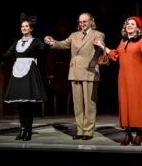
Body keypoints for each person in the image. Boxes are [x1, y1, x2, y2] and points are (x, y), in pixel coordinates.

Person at [94, 16, 142, 146]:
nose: (129, 26)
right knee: (125, 104)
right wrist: (102, 46)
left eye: (132, 24)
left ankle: (139, 133)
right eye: (128, 24)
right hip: (123, 78)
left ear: (137, 28)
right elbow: (115, 55)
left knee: (137, 104)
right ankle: (127, 133)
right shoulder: (123, 42)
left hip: (137, 78)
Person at [44, 12, 105, 140]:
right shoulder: (74, 35)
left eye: (85, 21)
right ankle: (80, 129)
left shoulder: (98, 34)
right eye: (80, 22)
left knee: (89, 104)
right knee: (77, 104)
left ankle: (88, 130)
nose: (82, 24)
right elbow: (63, 44)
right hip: (75, 71)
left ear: (91, 22)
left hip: (90, 71)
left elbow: (101, 46)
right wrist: (52, 42)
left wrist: (100, 45)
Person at [2, 14, 48, 141]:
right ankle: (22, 129)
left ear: (31, 28)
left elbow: (44, 49)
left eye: (26, 26)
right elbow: (6, 55)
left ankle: (28, 130)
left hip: (30, 72)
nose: (24, 28)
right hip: (17, 72)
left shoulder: (36, 41)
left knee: (29, 103)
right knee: (21, 103)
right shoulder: (16, 42)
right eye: (22, 26)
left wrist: (48, 42)